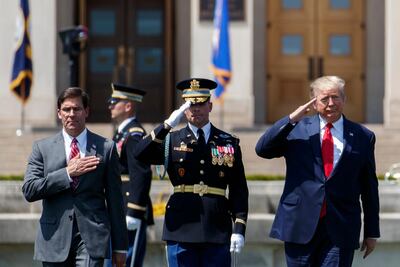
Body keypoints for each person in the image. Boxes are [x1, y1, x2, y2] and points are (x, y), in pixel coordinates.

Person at [255, 76, 380, 267]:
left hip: (340, 227)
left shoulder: (363, 136)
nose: (331, 103)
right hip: (300, 223)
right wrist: (291, 119)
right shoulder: (296, 129)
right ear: (313, 103)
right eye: (324, 99)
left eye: (336, 97)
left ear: (344, 100)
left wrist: (372, 231)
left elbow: (369, 186)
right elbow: (263, 149)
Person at [134, 78, 249, 267]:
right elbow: (140, 153)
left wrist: (239, 228)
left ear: (210, 106)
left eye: (201, 103)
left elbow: (238, 188)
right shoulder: (172, 140)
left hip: (217, 225)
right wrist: (166, 126)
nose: (196, 108)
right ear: (184, 108)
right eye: (190, 104)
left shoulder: (228, 142)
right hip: (181, 226)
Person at [22, 87, 128, 267]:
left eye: (77, 109)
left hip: (92, 238)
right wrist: (67, 174)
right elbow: (30, 190)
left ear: (86, 111)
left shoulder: (106, 148)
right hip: (53, 238)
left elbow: (115, 200)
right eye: (66, 109)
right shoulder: (42, 148)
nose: (71, 114)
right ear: (59, 113)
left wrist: (120, 247)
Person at [105, 83, 153, 267]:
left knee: (127, 262)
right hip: (118, 205)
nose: (110, 106)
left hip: (128, 206)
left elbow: (140, 172)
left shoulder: (134, 135)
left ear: (128, 106)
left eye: (114, 102)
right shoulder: (122, 133)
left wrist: (134, 210)